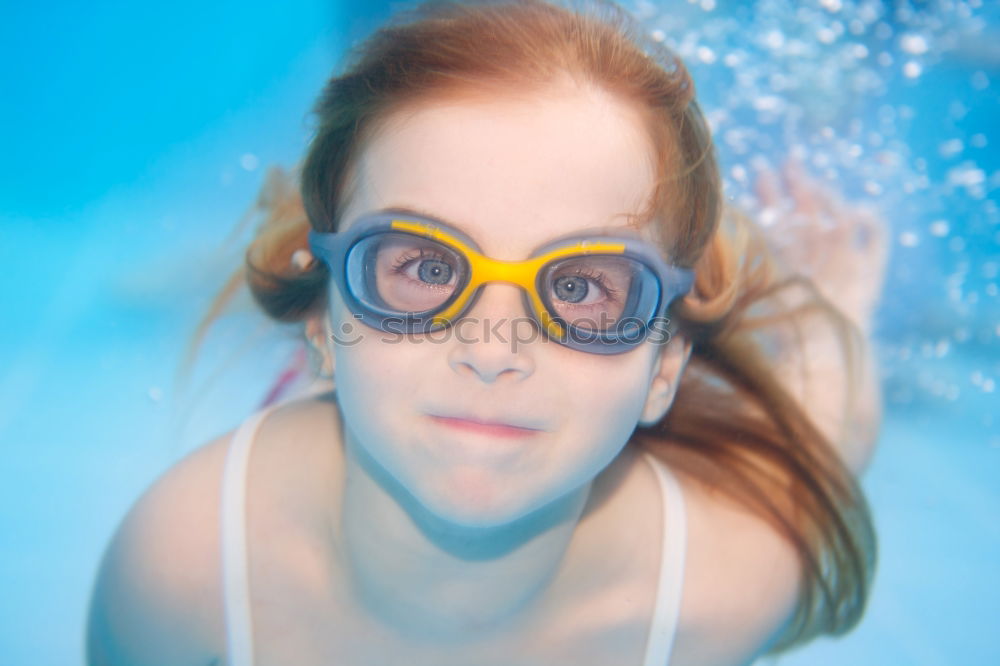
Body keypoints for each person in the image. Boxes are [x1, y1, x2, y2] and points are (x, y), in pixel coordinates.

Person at [86, 1, 883, 664]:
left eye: (580, 288)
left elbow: (825, 432)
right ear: (321, 323)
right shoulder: (185, 570)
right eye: (426, 267)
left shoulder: (725, 586)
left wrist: (834, 316)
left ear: (666, 368)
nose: (492, 352)